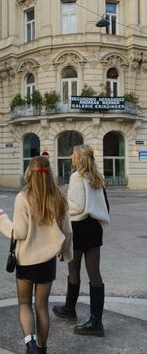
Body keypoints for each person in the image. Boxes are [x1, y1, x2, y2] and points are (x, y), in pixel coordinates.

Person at [0, 156, 73, 354]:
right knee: (42, 307)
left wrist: (1, 221)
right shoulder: (60, 197)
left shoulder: (23, 197)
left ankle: (30, 346)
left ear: (30, 172)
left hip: (26, 260)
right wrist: (65, 252)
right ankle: (42, 348)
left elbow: (19, 232)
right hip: (48, 262)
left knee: (24, 304)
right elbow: (68, 231)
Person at [53, 144, 110, 337]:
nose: (71, 157)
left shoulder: (76, 177)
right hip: (94, 228)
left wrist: (62, 200)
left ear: (79, 158)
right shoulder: (97, 178)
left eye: (73, 155)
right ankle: (97, 321)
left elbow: (76, 206)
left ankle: (70, 309)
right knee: (95, 274)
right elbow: (104, 205)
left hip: (78, 227)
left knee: (73, 269)